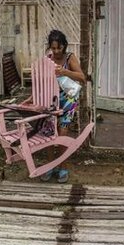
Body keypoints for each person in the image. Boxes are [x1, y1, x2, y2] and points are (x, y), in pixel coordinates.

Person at [40, 29, 85, 183]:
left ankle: (63, 168)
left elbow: (82, 77)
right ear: (50, 47)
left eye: (59, 48)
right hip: (51, 101)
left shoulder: (70, 58)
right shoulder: (48, 59)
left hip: (69, 101)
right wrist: (31, 98)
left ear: (64, 46)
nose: (57, 51)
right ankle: (50, 166)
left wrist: (65, 71)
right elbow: (42, 82)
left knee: (62, 134)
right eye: (53, 48)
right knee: (48, 134)